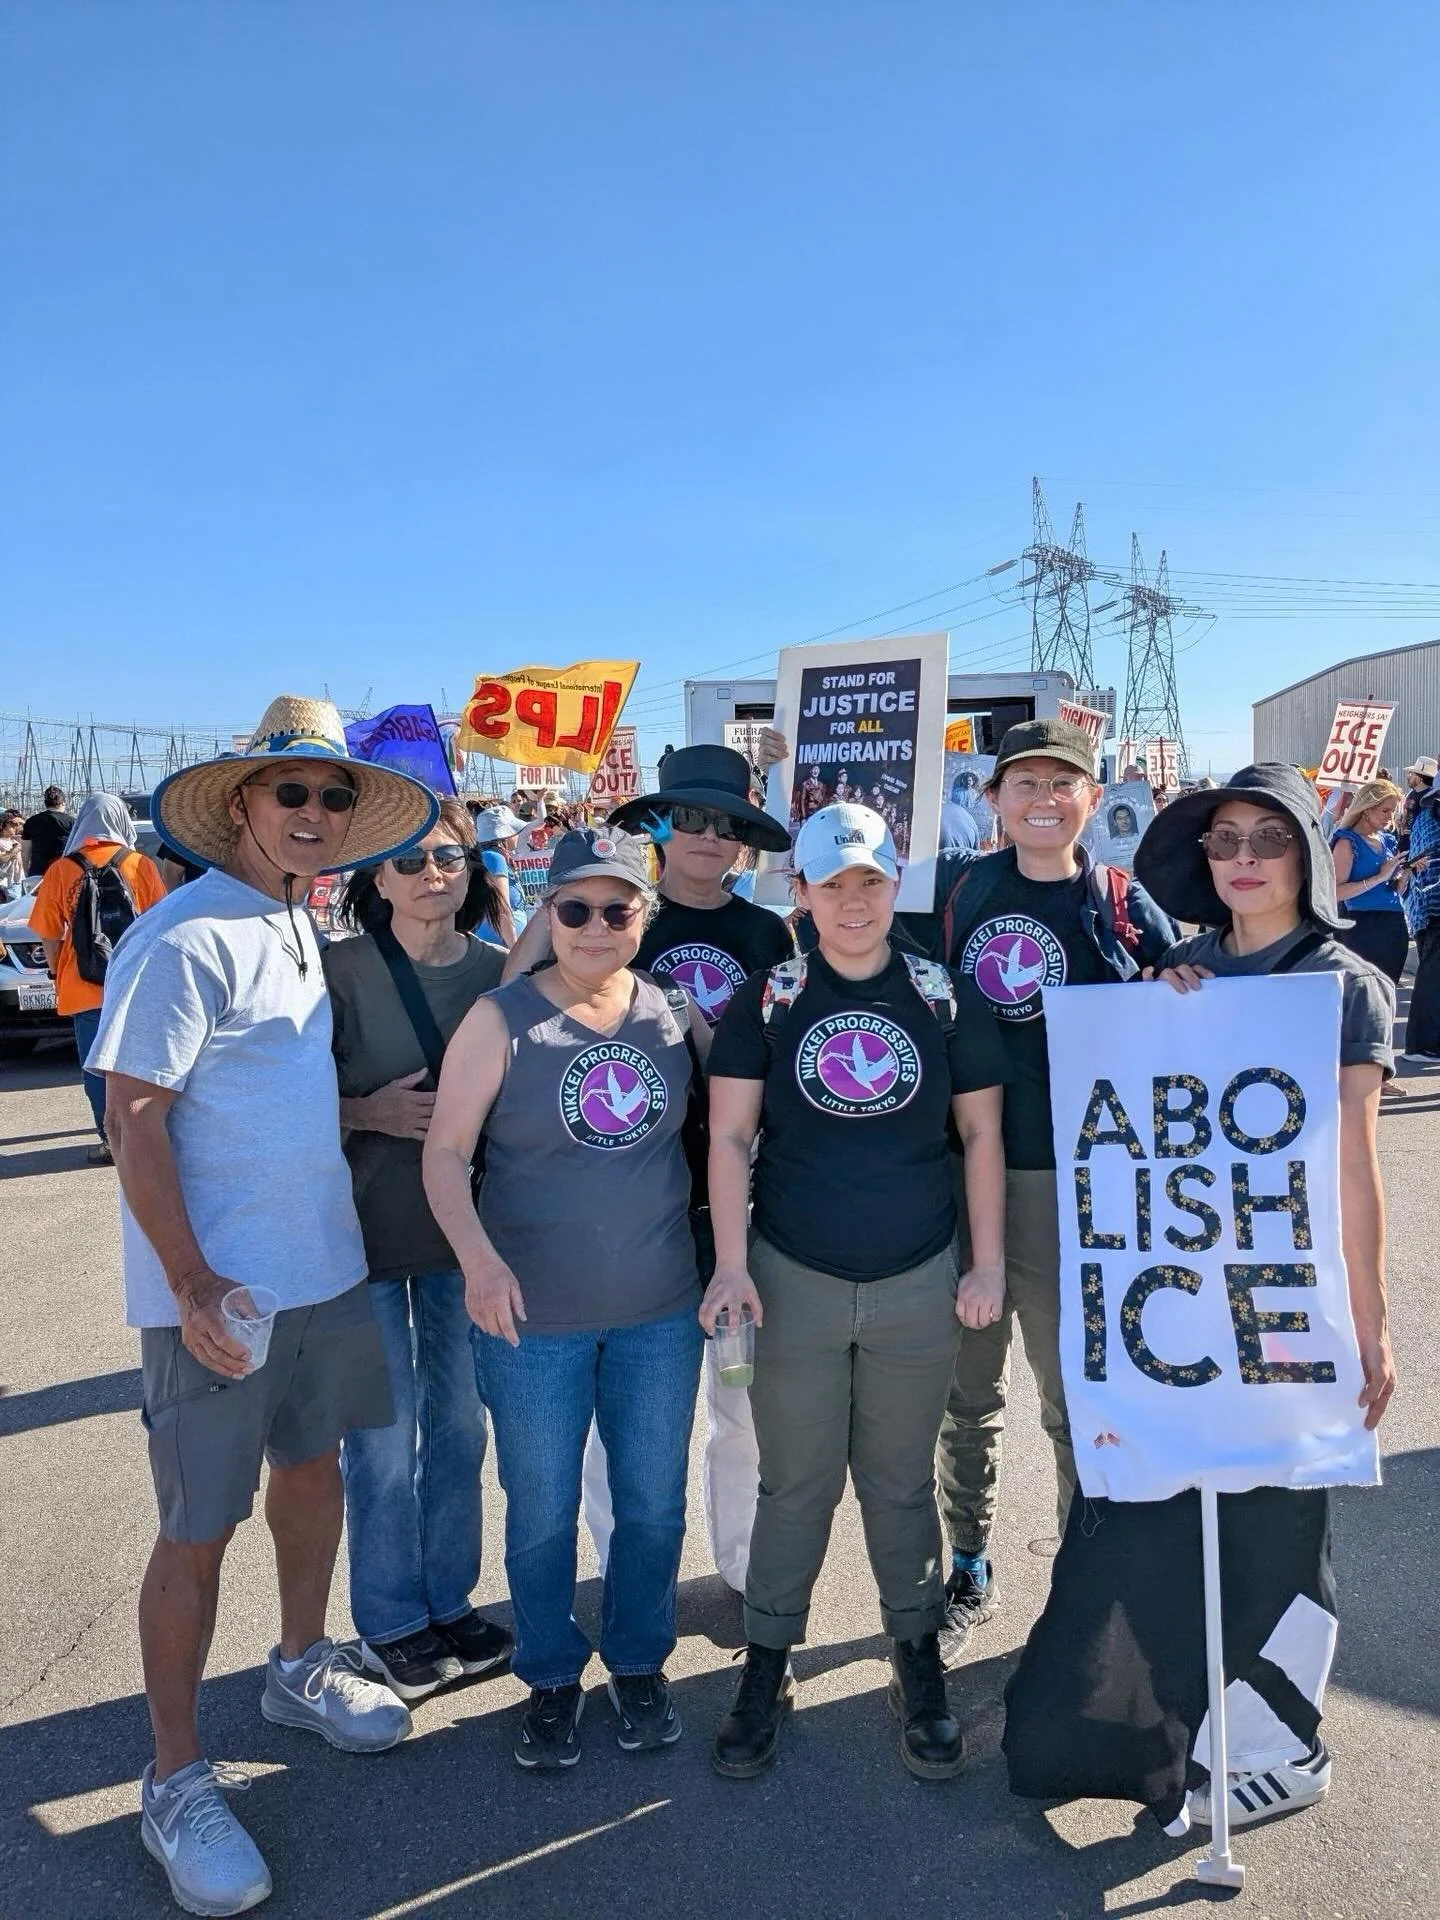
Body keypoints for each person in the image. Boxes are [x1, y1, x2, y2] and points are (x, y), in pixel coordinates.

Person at [86, 696, 436, 1918]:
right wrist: (187, 1283)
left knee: (315, 1472)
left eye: (334, 797)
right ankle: (173, 1776)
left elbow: (256, 1097)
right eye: (291, 792)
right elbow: (135, 1114)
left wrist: (361, 1118)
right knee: (197, 1526)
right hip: (220, 1294)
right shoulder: (182, 936)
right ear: (241, 805)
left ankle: (297, 1665)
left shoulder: (295, 921)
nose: (315, 814)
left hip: (324, 1269)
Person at [1005, 764, 1396, 1833]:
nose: (1243, 860)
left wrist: (1374, 1323)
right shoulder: (1179, 968)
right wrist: (1152, 1014)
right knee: (1168, 1530)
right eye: (1224, 841)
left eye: (1266, 839)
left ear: (1306, 856)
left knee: (1274, 1526)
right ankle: (1178, 1738)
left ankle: (1283, 1746)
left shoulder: (1344, 983)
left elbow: (1354, 1171)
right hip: (1177, 1310)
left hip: (1281, 1315)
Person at [702, 802, 1009, 1781]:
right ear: (799, 892)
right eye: (832, 883)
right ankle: (767, 1664)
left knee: (899, 1484)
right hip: (794, 1275)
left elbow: (984, 1138)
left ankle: (915, 1659)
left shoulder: (942, 993)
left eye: (869, 880)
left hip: (919, 1275)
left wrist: (988, 1261)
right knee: (793, 1485)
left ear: (896, 881)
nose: (853, 900)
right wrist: (732, 1262)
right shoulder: (771, 999)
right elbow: (726, 1137)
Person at [424, 828, 708, 1772]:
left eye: (616, 909)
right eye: (573, 908)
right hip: (529, 1317)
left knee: (654, 1507)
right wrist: (477, 1260)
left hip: (659, 1311)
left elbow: (744, 1113)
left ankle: (638, 1661)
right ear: (547, 913)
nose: (594, 926)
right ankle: (549, 1674)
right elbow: (444, 1153)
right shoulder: (499, 1018)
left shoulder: (673, 1016)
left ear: (643, 917)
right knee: (540, 1506)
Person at [590, 744, 794, 1590]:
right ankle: (630, 1574)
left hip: (741, 1193)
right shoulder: (615, 920)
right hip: (633, 1191)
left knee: (743, 1405)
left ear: (745, 839)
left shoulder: (764, 931)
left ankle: (747, 1571)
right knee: (630, 1416)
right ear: (658, 828)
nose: (709, 838)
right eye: (691, 819)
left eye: (727, 823)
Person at [325, 796, 514, 1705]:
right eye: (407, 861)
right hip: (361, 1239)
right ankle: (392, 1620)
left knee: (458, 1431)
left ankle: (450, 1600)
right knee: (380, 1442)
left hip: (463, 1243)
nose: (430, 874)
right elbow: (270, 1099)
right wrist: (364, 1111)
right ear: (374, 876)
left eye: (446, 857)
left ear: (473, 867)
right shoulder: (340, 971)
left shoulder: (501, 972)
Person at [29, 794, 167, 1164]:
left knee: (96, 1068)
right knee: (140, 1064)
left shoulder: (61, 870)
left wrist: (59, 971)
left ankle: (111, 1141)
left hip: (84, 986)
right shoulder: (140, 864)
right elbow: (160, 928)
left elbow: (49, 933)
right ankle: (148, 1135)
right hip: (136, 984)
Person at [1329, 779, 1409, 987]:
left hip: (1393, 921)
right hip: (1361, 925)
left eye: (1392, 811)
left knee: (1387, 993)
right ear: (1367, 809)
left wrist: (1405, 872)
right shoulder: (1347, 842)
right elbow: (1336, 892)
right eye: (1385, 810)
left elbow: (1395, 890)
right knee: (1363, 995)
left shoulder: (1386, 840)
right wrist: (1379, 877)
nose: (1390, 817)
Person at [1401, 764, 1440, 1062]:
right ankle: (1421, 1044)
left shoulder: (1426, 817)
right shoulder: (1432, 818)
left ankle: (1426, 1042)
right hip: (1433, 907)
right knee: (1431, 975)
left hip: (1426, 907)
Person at [472, 801, 528, 939]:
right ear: (504, 835)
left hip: (498, 937)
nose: (517, 835)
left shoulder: (491, 856)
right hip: (500, 941)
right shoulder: (494, 858)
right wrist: (515, 948)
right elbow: (502, 907)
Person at [22, 784, 74, 877]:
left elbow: (25, 850)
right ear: (63, 803)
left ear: (45, 803)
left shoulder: (31, 821)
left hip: (38, 871)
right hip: (64, 871)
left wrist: (25, 870)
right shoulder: (72, 821)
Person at [0, 809, 27, 895]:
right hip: (7, 883)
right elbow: (2, 859)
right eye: (12, 825)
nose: (16, 827)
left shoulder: (13, 839)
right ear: (2, 826)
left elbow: (25, 825)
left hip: (18, 880)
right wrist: (13, 851)